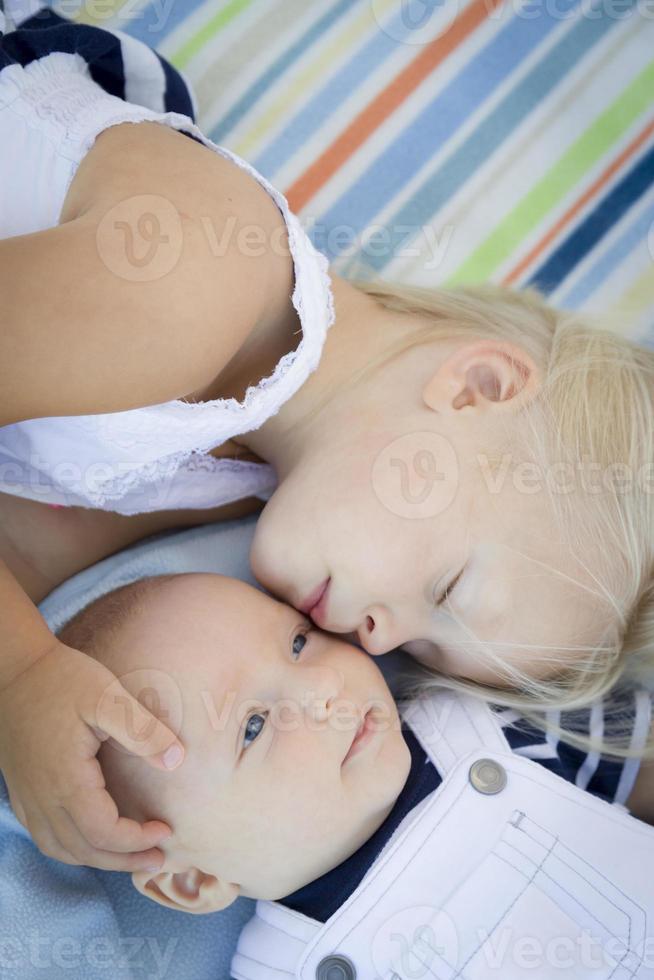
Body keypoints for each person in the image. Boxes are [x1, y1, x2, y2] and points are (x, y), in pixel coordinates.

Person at [1, 0, 652, 873]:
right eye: (448, 586)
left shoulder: (234, 486)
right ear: (478, 386)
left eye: (421, 647)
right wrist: (20, 677)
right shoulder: (199, 286)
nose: (378, 644)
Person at [51, 571, 654, 979]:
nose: (322, 686)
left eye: (297, 642)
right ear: (193, 881)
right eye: (254, 727)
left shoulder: (484, 725)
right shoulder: (275, 966)